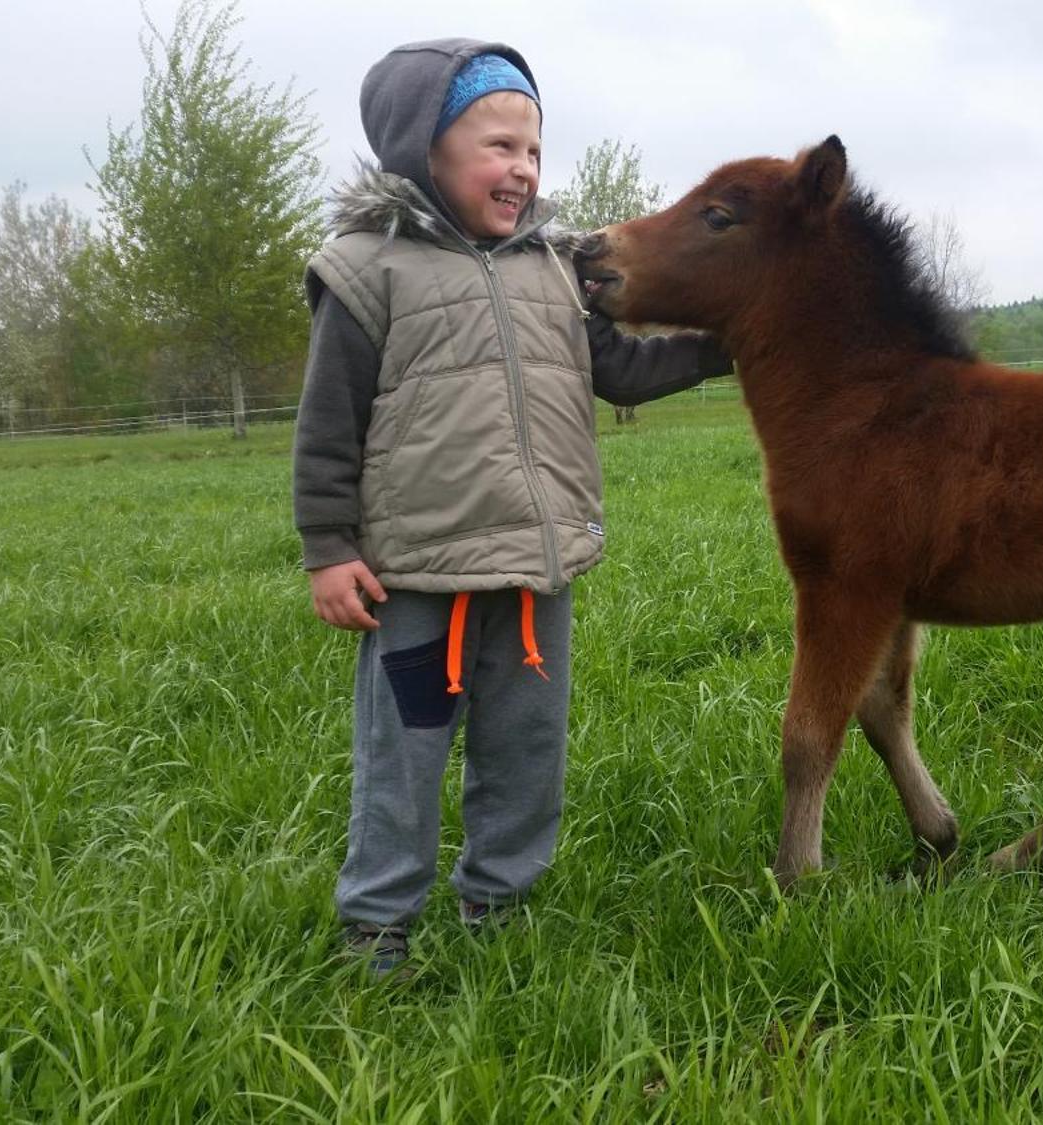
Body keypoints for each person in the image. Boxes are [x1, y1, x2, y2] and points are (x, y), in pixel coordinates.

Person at [292, 38, 729, 978]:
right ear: (423, 151)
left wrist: (723, 346)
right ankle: (378, 927)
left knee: (527, 753)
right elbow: (326, 428)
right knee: (402, 762)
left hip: (536, 573)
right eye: (496, 146)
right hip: (419, 579)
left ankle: (501, 905)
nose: (521, 169)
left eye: (531, 150)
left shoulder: (554, 271)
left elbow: (622, 368)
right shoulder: (369, 271)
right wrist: (329, 548)